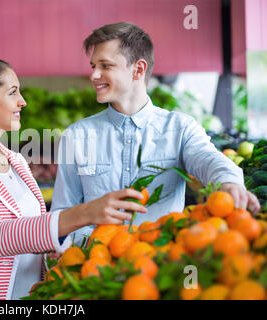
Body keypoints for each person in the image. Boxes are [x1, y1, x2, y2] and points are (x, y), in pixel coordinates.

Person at [0, 56, 147, 300]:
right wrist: (86, 213)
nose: (23, 101)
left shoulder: (17, 161)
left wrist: (56, 246)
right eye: (13, 93)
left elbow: (31, 231)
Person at [50, 22, 261, 245]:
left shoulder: (180, 128)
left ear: (138, 69)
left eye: (105, 65)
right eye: (93, 65)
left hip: (159, 265)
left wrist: (228, 182)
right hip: (94, 267)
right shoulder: (76, 136)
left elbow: (208, 159)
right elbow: (63, 210)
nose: (94, 75)